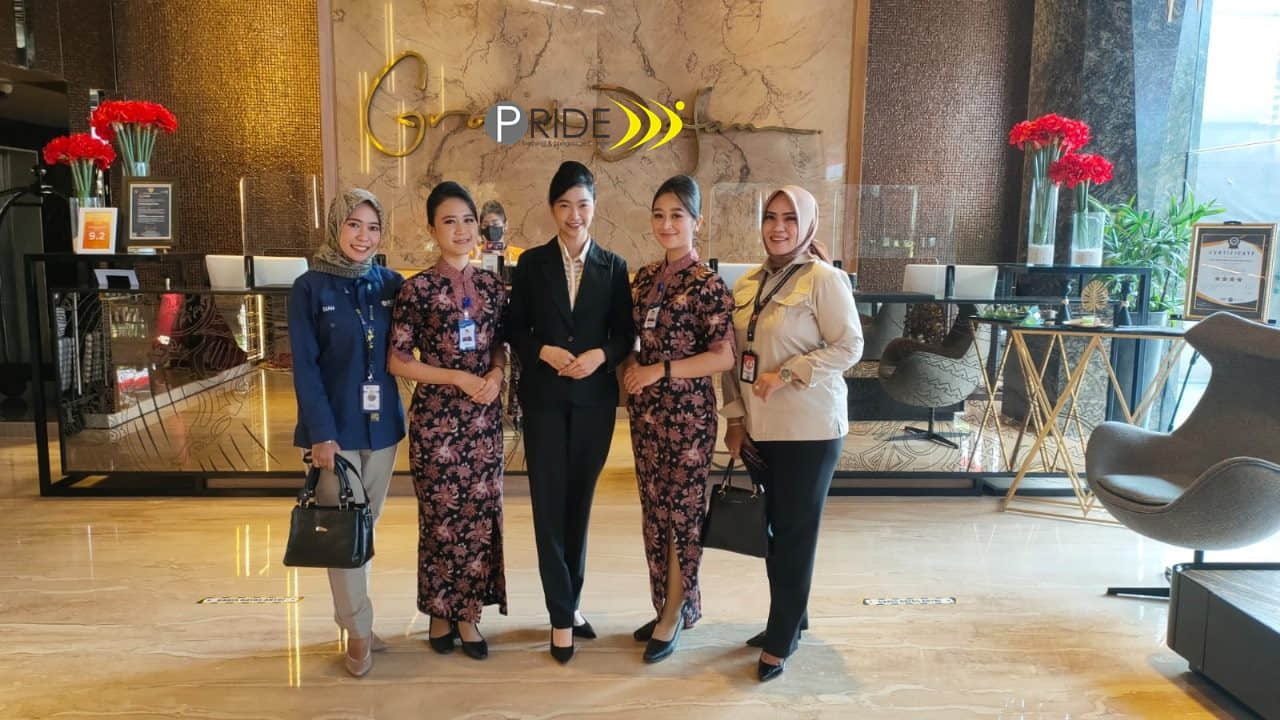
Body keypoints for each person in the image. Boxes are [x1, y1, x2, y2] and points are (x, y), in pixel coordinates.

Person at [720, 185, 863, 682]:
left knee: (795, 534)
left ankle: (781, 638)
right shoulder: (748, 283)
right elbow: (732, 360)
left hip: (808, 429)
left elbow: (850, 346)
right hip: (760, 429)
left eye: (789, 218)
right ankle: (791, 618)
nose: (778, 227)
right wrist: (735, 420)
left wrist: (789, 371)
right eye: (770, 217)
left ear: (807, 224)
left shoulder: (824, 279)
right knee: (774, 530)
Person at [506, 160, 634, 664]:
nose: (574, 215)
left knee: (579, 505)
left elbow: (624, 333)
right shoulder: (532, 263)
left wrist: (602, 354)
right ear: (551, 209)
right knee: (548, 505)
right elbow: (513, 327)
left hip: (594, 403)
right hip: (544, 400)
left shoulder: (614, 266)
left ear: (595, 207)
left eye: (582, 205)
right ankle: (561, 617)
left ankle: (571, 602)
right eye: (564, 205)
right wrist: (543, 350)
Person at [388, 181, 508, 661]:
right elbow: (398, 360)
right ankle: (440, 611)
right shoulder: (416, 289)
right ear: (432, 229)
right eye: (449, 221)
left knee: (477, 518)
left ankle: (467, 615)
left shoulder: (492, 287)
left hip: (483, 422)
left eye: (468, 220)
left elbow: (500, 345)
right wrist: (455, 376)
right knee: (440, 519)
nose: (461, 230)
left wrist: (496, 373)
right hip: (436, 423)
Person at [288, 188, 405, 678]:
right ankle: (358, 631)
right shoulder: (309, 287)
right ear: (336, 226)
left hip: (383, 429)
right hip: (334, 433)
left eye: (373, 227)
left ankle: (357, 618)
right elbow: (305, 366)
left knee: (363, 526)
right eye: (353, 225)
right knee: (343, 529)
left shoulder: (391, 284)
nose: (363, 236)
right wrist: (321, 434)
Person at [621, 175, 734, 663]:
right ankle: (667, 604)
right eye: (659, 215)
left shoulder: (708, 284)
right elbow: (634, 340)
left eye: (677, 215)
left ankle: (674, 610)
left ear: (697, 222)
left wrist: (660, 371)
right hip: (646, 415)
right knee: (654, 513)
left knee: (681, 515)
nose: (667, 224)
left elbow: (723, 356)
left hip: (687, 418)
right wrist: (632, 366)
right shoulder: (645, 278)